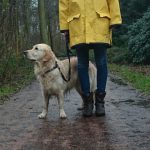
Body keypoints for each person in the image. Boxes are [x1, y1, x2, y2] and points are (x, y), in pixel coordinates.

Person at [59, 0, 122, 117]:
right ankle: (87, 101)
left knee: (101, 62)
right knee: (82, 64)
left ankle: (100, 102)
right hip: (78, 26)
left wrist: (115, 19)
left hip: (100, 24)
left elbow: (112, 1)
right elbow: (64, 5)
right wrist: (64, 27)